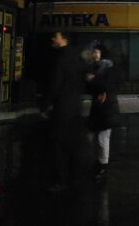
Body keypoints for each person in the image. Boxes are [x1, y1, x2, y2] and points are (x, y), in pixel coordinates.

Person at [46, 31, 87, 192]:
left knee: (58, 145)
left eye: (55, 36)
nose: (53, 39)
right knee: (73, 144)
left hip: (62, 107)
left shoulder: (60, 58)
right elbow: (86, 77)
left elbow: (55, 84)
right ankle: (74, 178)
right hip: (75, 107)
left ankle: (59, 180)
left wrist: (46, 104)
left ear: (63, 40)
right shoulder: (78, 58)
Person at [85, 43, 120, 181]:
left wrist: (94, 80)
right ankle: (98, 163)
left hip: (107, 108)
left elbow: (108, 85)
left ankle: (103, 166)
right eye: (93, 52)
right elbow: (91, 88)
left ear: (102, 54)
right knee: (93, 136)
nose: (94, 55)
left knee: (102, 139)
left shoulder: (108, 68)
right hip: (98, 108)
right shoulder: (95, 68)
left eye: (97, 52)